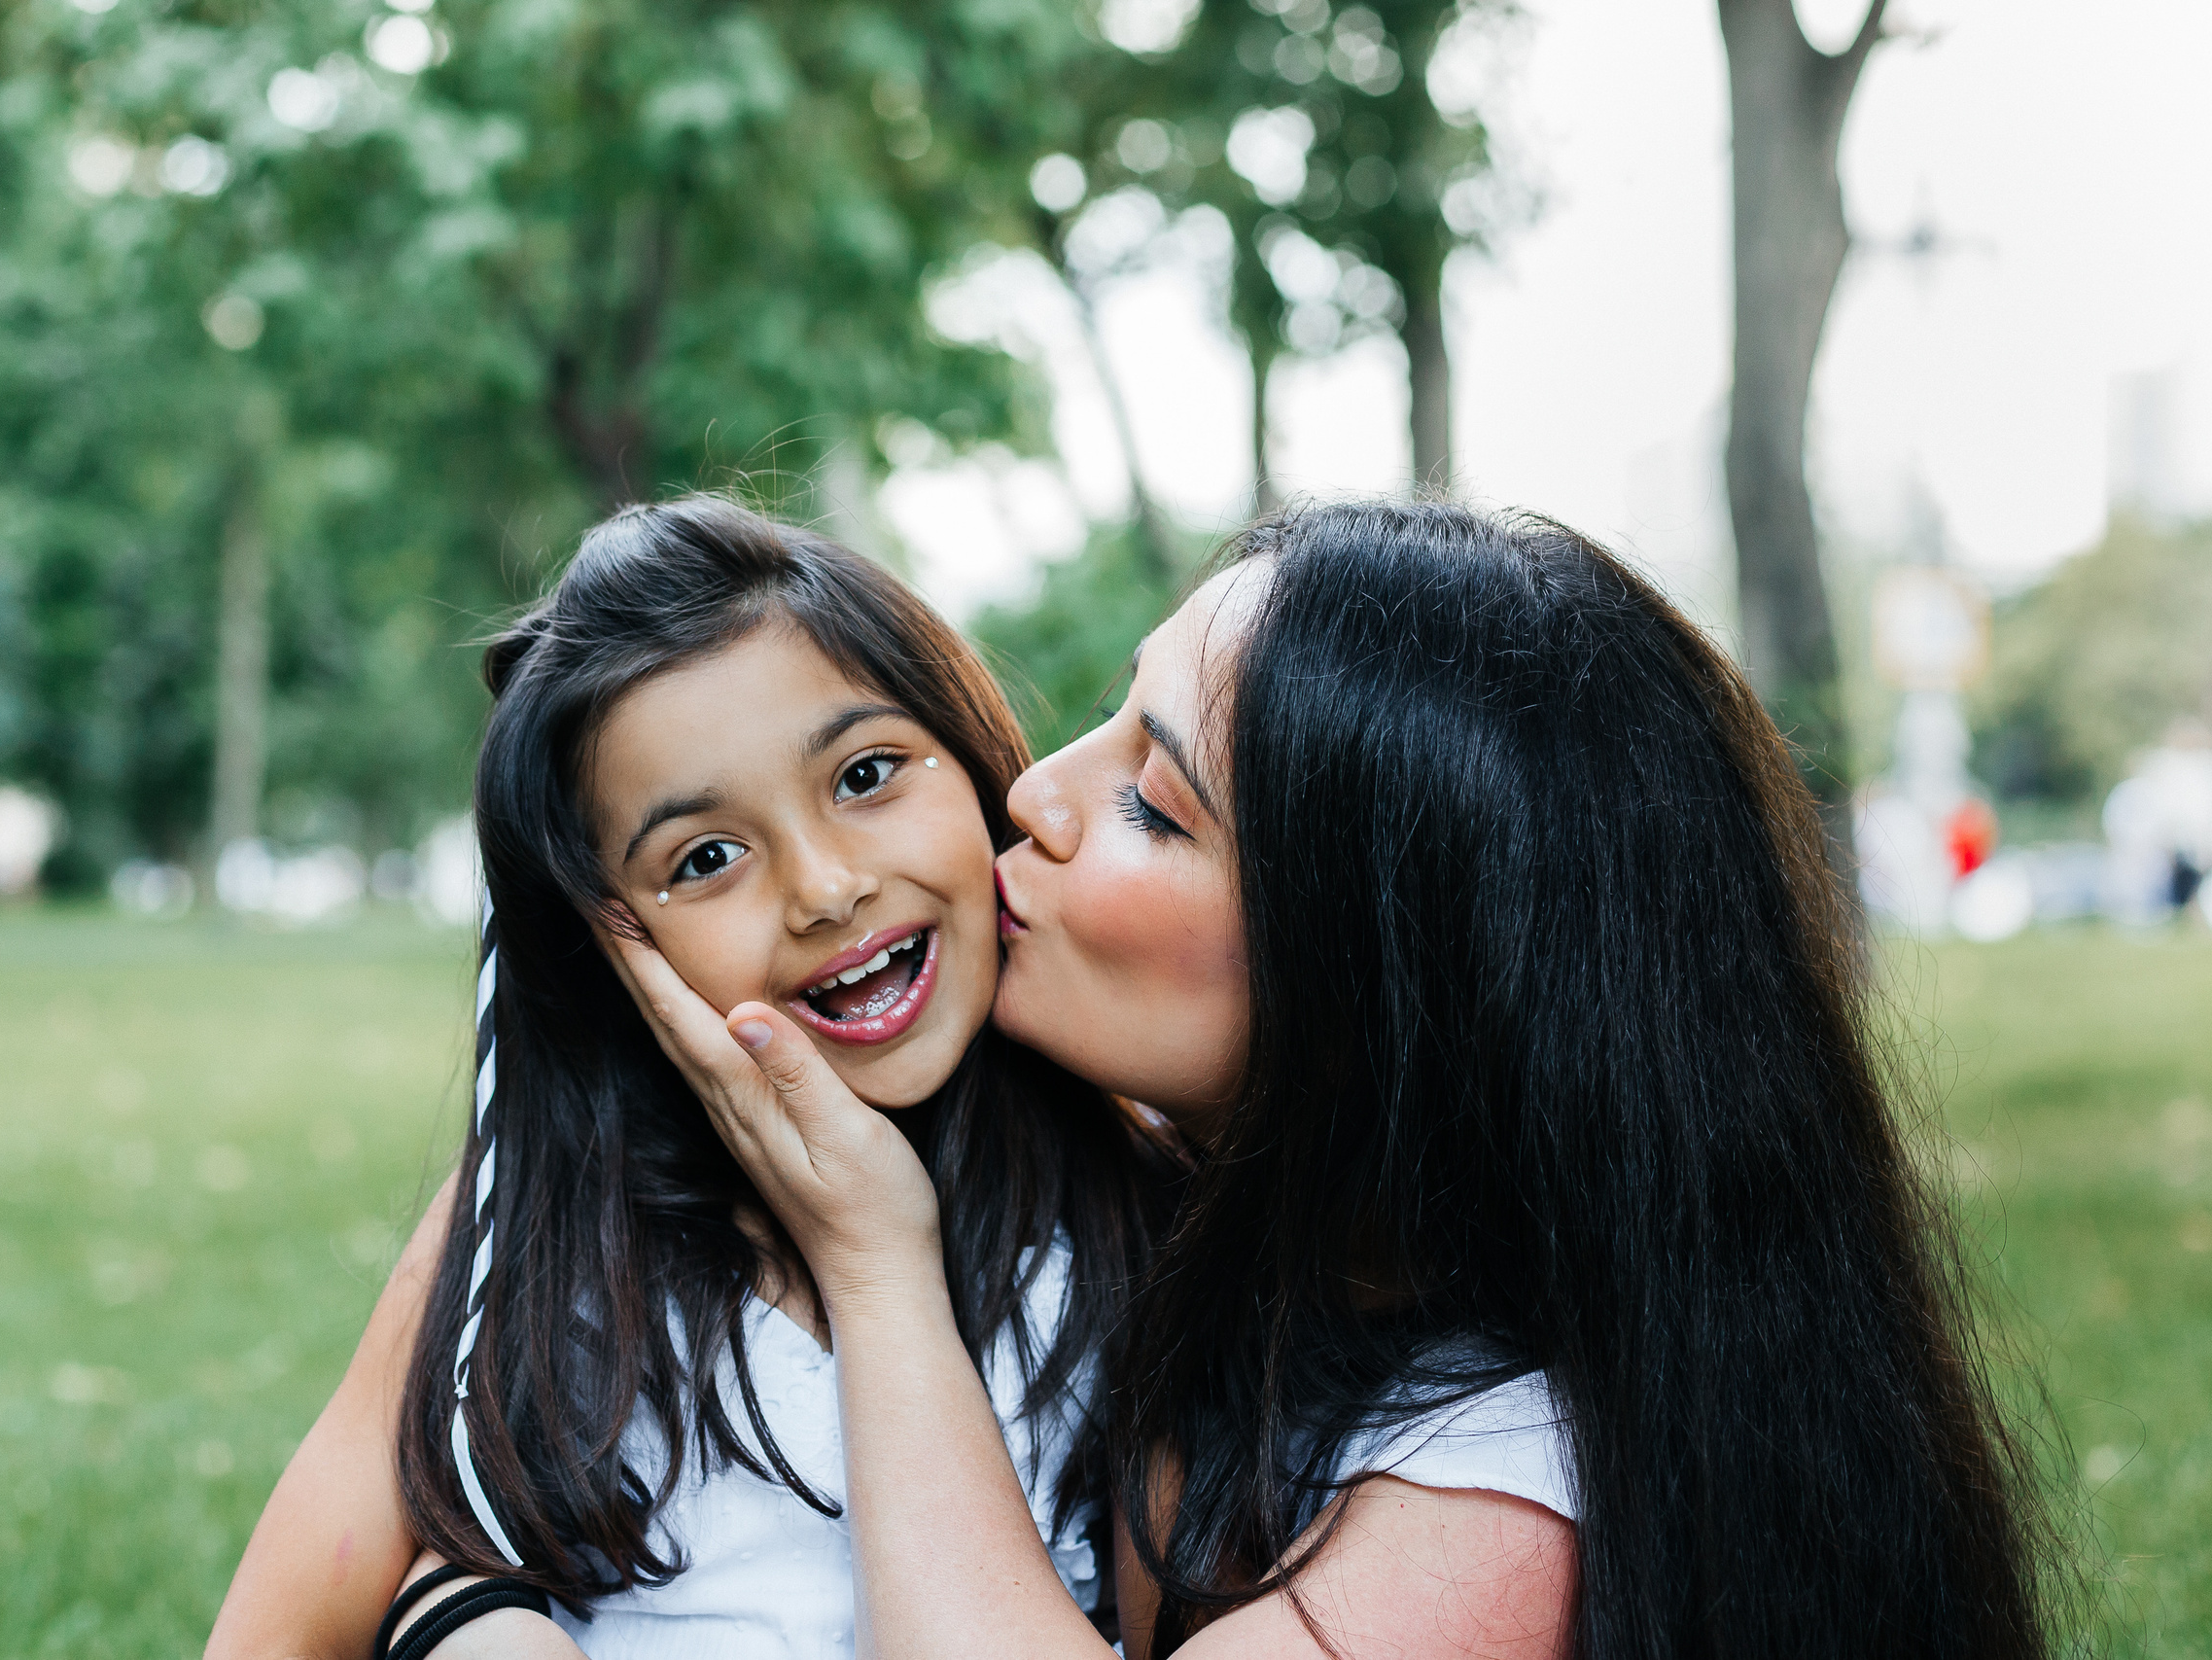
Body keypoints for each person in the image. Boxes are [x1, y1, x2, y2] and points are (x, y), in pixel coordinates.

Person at [612, 499, 2055, 1658]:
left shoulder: (1503, 1511)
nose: (1034, 791)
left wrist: (873, 1263)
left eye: (1151, 804)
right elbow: (413, 1497)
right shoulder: (1187, 1195)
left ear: (1376, 985)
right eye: (1111, 717)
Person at [203, 497, 1168, 1660]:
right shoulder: (547, 1230)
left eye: (865, 775)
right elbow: (281, 1628)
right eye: (705, 859)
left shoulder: (1132, 1208)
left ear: (972, 764)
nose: (823, 889)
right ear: (611, 950)